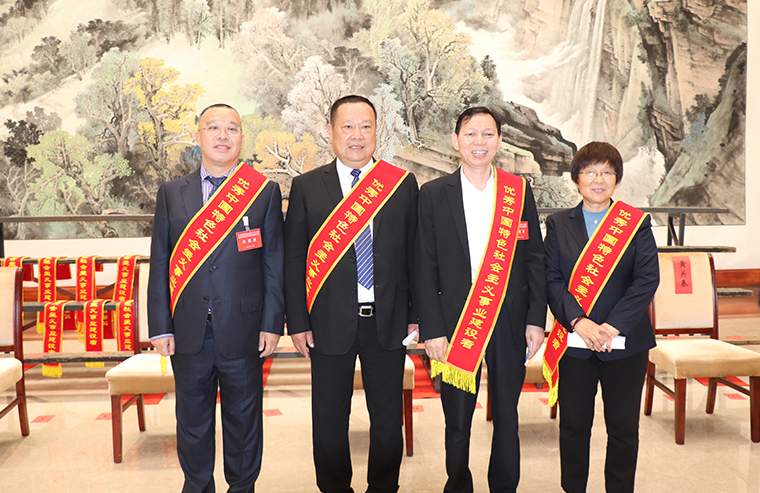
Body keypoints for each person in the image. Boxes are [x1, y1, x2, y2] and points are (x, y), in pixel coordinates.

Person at [284, 94, 418, 493]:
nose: (356, 135)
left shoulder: (401, 184)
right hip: (327, 322)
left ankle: (383, 487)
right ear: (331, 132)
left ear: (377, 132)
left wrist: (416, 316)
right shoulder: (307, 186)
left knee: (387, 419)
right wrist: (298, 322)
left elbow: (415, 255)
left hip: (388, 321)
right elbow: (294, 260)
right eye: (347, 127)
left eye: (365, 127)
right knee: (328, 419)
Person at [148, 103, 285, 493]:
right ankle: (197, 487)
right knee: (192, 423)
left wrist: (272, 324)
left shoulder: (263, 192)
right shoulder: (172, 193)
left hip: (244, 329)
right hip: (188, 330)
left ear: (241, 138)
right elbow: (160, 261)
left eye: (232, 128)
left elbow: (274, 264)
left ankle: (242, 488)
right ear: (198, 136)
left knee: (244, 422)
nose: (223, 136)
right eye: (213, 128)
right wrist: (160, 326)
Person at [415, 106, 546, 493]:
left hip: (509, 319)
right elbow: (423, 265)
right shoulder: (433, 194)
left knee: (507, 413)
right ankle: (458, 484)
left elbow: (534, 258)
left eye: (488, 134)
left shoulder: (517, 191)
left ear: (499, 141)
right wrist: (432, 329)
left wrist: (535, 319)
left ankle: (504, 486)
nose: (479, 142)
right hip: (455, 323)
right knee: (457, 419)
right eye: (470, 134)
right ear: (455, 140)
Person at [543, 141, 659, 493]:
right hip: (575, 342)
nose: (598, 179)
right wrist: (580, 322)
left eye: (607, 172)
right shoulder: (558, 223)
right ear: (576, 178)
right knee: (574, 426)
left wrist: (611, 326)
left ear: (616, 179)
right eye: (590, 171)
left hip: (625, 342)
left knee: (623, 428)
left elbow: (646, 279)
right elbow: (552, 279)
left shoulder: (636, 223)